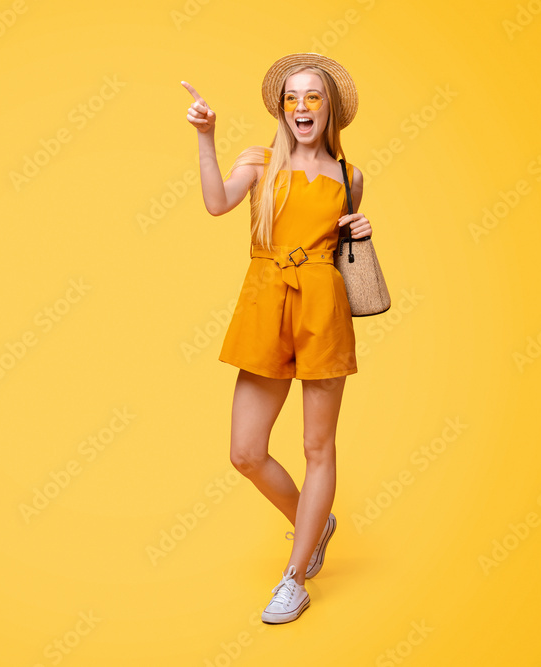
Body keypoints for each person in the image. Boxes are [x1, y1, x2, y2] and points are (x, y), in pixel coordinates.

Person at [181, 53, 373, 625]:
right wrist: (206, 137)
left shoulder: (350, 176)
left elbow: (343, 247)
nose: (302, 107)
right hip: (268, 302)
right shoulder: (259, 162)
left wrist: (359, 228)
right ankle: (316, 523)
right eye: (293, 98)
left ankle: (294, 578)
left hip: (323, 308)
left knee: (319, 449)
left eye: (313, 97)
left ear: (329, 107)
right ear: (282, 108)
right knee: (245, 451)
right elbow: (218, 204)